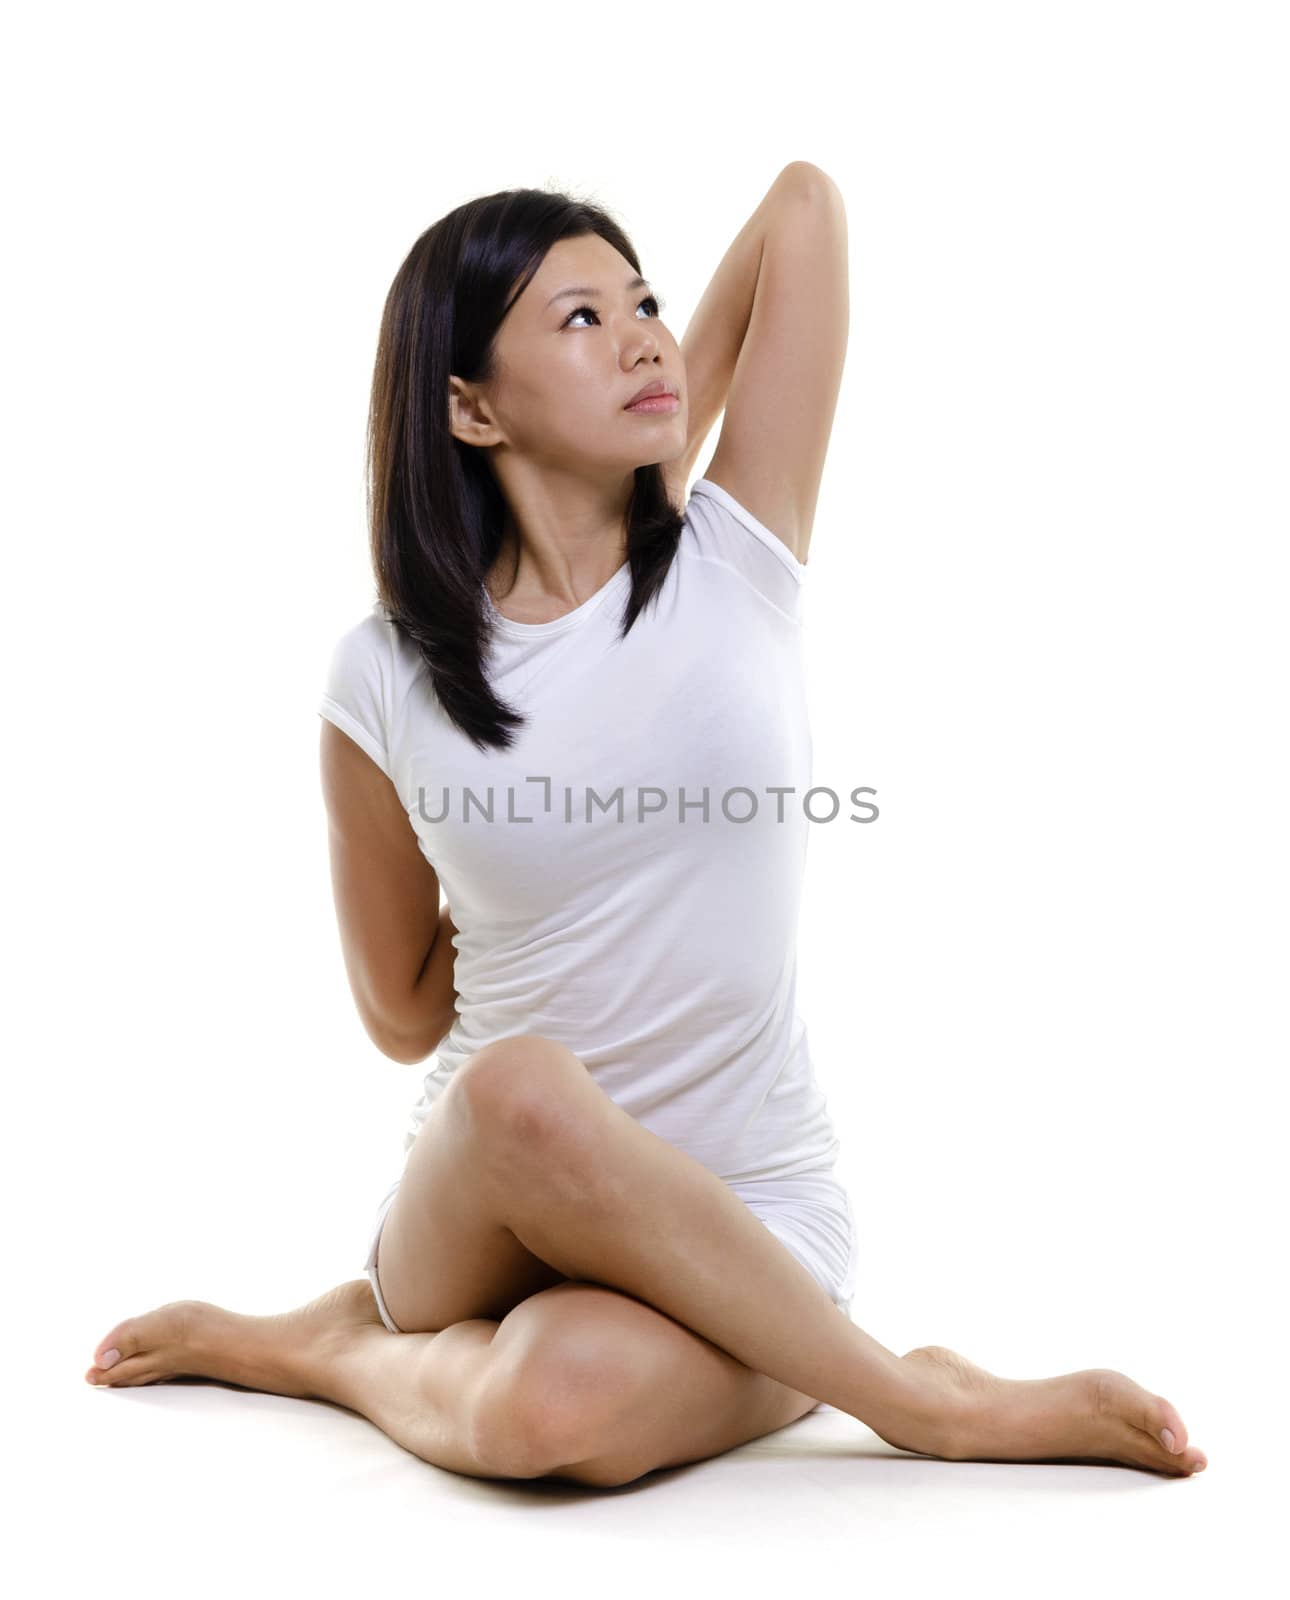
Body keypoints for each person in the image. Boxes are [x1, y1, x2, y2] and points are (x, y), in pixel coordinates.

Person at [84, 164, 1207, 1487]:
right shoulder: (382, 675)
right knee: (521, 1086)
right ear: (467, 404)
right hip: (482, 1217)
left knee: (551, 1415)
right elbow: (403, 1021)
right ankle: (918, 1402)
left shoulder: (733, 556)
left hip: (747, 1205)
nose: (640, 337)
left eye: (646, 303)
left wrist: (655, 434)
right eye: (576, 320)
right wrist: (533, 886)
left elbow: (800, 209)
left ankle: (407, 1349)